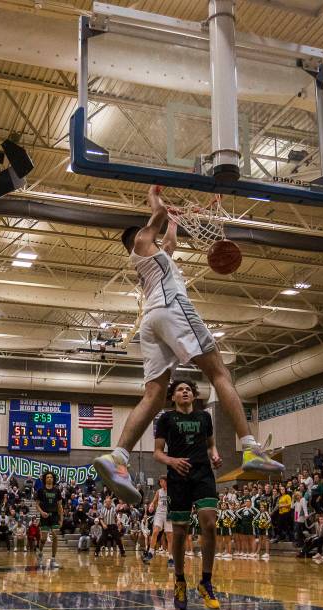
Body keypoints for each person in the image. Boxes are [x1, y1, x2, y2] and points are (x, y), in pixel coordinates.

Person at [93, 186, 283, 504]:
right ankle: (251, 449)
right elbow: (158, 214)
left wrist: (176, 221)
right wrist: (155, 196)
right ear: (139, 238)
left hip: (152, 323)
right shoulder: (141, 243)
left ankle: (118, 459)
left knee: (154, 395)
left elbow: (169, 239)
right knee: (219, 372)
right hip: (171, 309)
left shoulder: (155, 258)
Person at [153, 378, 223, 610]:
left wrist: (215, 455)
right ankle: (180, 580)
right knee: (180, 531)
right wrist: (171, 461)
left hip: (202, 474)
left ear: (194, 395)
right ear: (173, 396)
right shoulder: (166, 418)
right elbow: (157, 453)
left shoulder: (204, 417)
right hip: (178, 476)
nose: (185, 392)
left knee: (210, 524)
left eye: (188, 389)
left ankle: (206, 581)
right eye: (180, 390)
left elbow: (211, 445)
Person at [36, 471, 63, 568]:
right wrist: (42, 512)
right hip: (44, 517)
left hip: (54, 516)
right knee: (43, 539)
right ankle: (40, 552)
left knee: (55, 536)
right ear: (45, 479)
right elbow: (37, 505)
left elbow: (60, 506)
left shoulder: (57, 490)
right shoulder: (40, 490)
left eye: (51, 477)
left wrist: (61, 519)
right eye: (47, 477)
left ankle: (53, 559)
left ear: (53, 479)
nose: (49, 478)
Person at [144, 476, 169, 563]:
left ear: (166, 481)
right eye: (160, 482)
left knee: (169, 536)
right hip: (159, 514)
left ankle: (171, 557)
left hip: (168, 515)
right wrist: (151, 506)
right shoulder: (159, 492)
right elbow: (154, 501)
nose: (161, 483)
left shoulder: (172, 491)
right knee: (155, 532)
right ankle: (150, 552)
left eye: (162, 481)